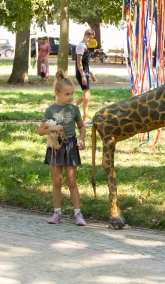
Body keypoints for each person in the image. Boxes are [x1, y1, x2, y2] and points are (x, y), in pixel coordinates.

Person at [38, 70, 87, 226]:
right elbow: (40, 131)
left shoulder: (74, 109)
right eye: (67, 94)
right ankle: (57, 212)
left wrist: (81, 139)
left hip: (71, 146)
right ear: (57, 93)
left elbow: (82, 127)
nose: (71, 97)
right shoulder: (50, 110)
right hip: (56, 148)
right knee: (57, 181)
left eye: (72, 94)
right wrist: (52, 129)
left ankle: (77, 213)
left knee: (72, 182)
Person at [75, 29, 97, 124]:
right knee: (86, 95)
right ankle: (85, 117)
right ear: (84, 35)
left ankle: (73, 105)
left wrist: (91, 74)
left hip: (86, 72)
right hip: (81, 73)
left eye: (91, 38)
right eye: (88, 37)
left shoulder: (85, 46)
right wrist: (83, 76)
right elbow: (79, 63)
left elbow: (86, 63)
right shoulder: (80, 46)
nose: (89, 40)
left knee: (87, 96)